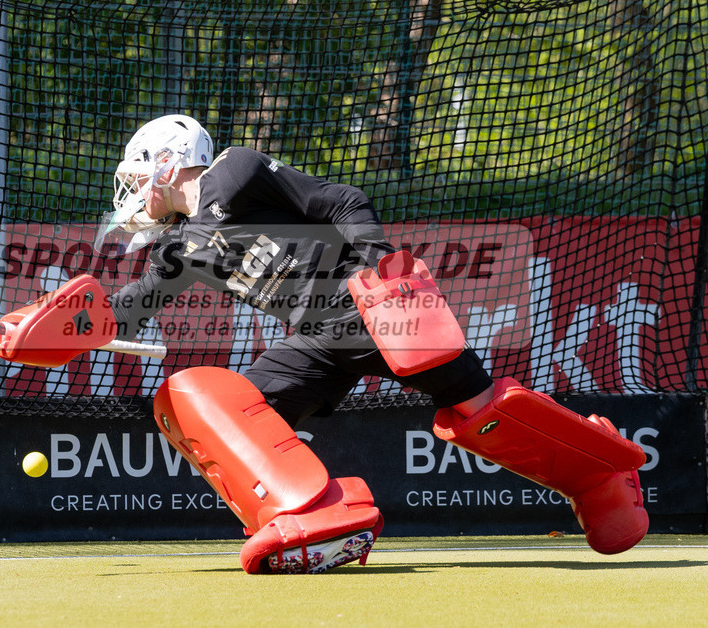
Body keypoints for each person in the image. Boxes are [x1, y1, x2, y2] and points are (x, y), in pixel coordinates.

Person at [96, 114, 649, 574]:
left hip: (376, 312)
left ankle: (598, 470)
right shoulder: (182, 245)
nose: (135, 191)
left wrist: (376, 272)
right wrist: (63, 329)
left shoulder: (234, 171)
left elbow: (341, 200)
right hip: (318, 338)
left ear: (168, 160)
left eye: (138, 174)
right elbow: (134, 306)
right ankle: (322, 520)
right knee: (224, 410)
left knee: (482, 411)